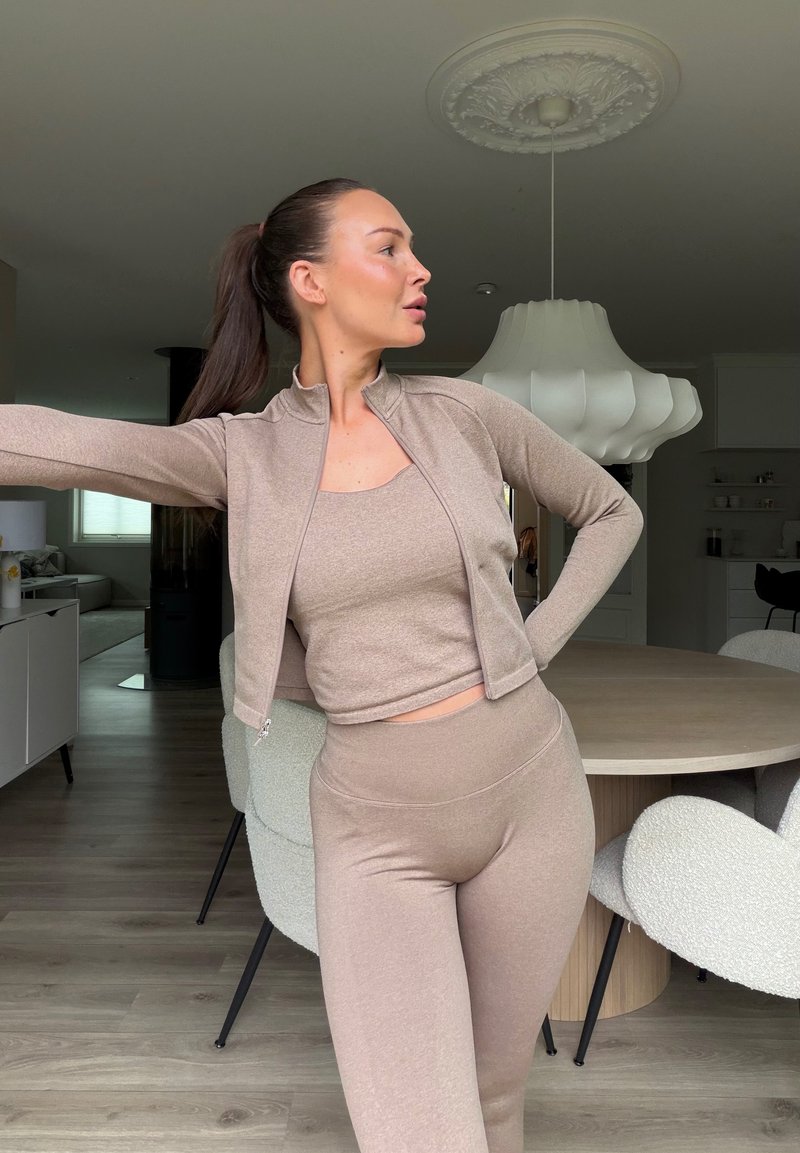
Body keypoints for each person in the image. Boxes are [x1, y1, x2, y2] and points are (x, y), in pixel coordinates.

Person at [0, 177, 643, 1152]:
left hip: (531, 790)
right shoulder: (243, 454)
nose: (420, 269)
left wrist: (537, 640)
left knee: (496, 1100)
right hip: (377, 828)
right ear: (309, 280)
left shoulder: (465, 413)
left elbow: (611, 510)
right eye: (387, 247)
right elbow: (66, 444)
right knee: (419, 1134)